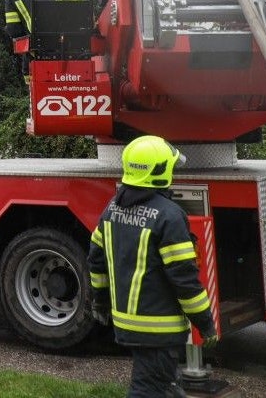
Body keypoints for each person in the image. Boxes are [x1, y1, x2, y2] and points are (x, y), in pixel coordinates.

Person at [88, 135, 218, 398]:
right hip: (160, 328)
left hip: (127, 325)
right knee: (148, 390)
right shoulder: (169, 216)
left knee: (162, 386)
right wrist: (205, 322)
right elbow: (184, 280)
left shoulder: (111, 210)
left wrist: (100, 302)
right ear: (161, 171)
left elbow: (96, 264)